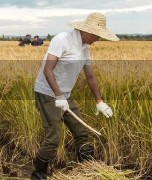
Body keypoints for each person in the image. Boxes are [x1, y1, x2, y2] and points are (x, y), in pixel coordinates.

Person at [32, 12, 119, 179]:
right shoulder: (62, 40)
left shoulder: (84, 48)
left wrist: (99, 101)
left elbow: (90, 76)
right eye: (98, 35)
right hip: (47, 93)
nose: (98, 39)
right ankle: (38, 174)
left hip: (65, 94)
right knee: (53, 138)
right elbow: (47, 69)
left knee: (81, 132)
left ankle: (86, 170)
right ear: (88, 32)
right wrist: (58, 95)